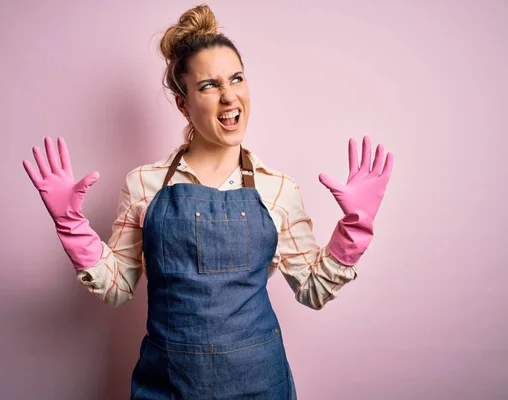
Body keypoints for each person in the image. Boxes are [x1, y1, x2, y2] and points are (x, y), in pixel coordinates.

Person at [23, 4, 393, 399]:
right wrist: (70, 224)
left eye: (236, 78)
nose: (229, 96)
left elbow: (313, 289)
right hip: (167, 386)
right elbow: (116, 287)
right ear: (183, 103)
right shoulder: (145, 185)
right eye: (208, 86)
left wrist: (354, 229)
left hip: (260, 386)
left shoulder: (277, 189)